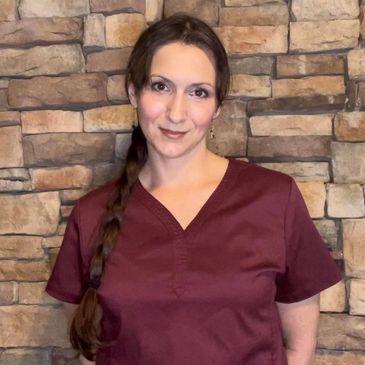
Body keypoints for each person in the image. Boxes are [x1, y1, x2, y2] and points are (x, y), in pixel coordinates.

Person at [46, 13, 342, 365]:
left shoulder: (275, 200)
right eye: (161, 86)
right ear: (133, 92)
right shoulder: (91, 214)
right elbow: (89, 351)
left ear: (217, 106)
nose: (176, 112)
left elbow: (298, 349)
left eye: (198, 92)